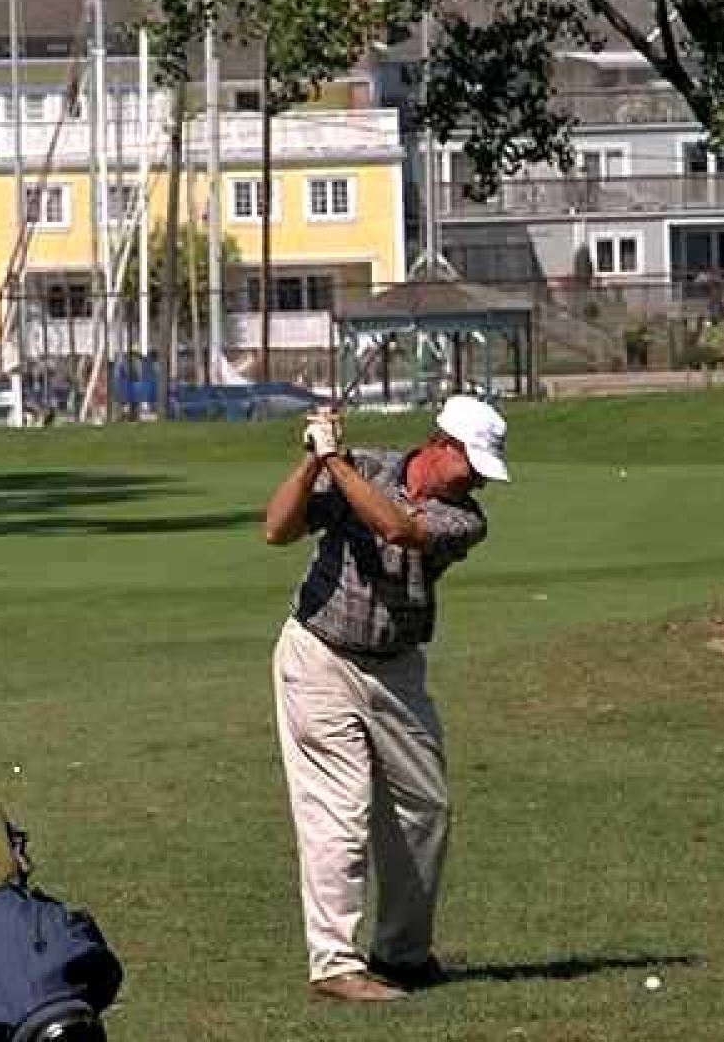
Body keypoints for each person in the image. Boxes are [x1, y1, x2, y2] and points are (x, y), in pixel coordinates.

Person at [260, 394, 511, 1003]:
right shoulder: (365, 466)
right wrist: (314, 461)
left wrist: (337, 462)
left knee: (426, 809)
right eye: (471, 462)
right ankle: (335, 965)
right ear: (441, 444)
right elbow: (278, 529)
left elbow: (396, 528)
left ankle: (400, 955)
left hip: (396, 670)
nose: (478, 476)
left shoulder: (466, 519)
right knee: (338, 814)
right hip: (319, 656)